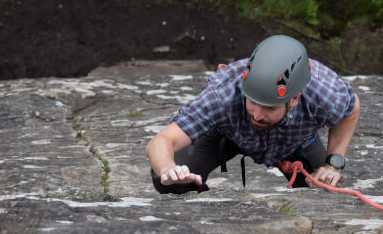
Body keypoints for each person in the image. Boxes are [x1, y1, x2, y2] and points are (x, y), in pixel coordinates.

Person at [145, 35, 359, 194]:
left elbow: (351, 109)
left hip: (295, 141)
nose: (257, 115)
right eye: (253, 102)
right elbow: (162, 140)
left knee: (321, 188)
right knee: (172, 184)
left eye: (270, 107)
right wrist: (168, 169)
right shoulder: (223, 92)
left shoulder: (324, 94)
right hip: (226, 134)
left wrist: (333, 164)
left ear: (294, 99)